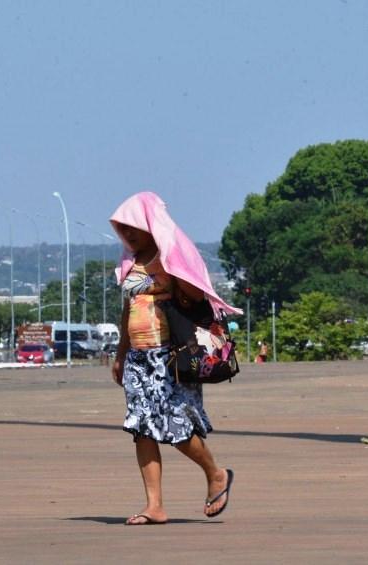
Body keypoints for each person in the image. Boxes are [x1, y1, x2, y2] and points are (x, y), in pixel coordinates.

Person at [109, 192, 240, 525]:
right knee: (142, 428)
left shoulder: (171, 254)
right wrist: (121, 353)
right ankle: (154, 505)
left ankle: (215, 473)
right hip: (139, 357)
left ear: (150, 225)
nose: (128, 236)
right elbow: (128, 309)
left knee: (175, 425)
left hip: (170, 355)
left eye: (133, 228)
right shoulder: (129, 262)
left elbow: (196, 293)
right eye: (123, 230)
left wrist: (173, 268)